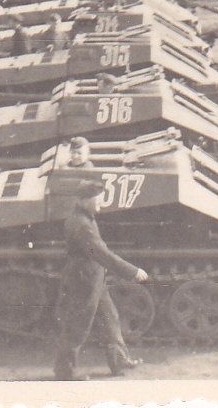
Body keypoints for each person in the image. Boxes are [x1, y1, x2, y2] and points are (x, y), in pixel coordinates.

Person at [53, 137, 148, 381]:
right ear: (86, 200)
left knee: (110, 317)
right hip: (85, 278)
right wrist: (132, 271)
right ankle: (65, 371)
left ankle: (119, 360)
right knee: (79, 324)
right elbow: (102, 254)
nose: (102, 203)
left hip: (93, 276)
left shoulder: (84, 218)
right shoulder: (82, 225)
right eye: (98, 199)